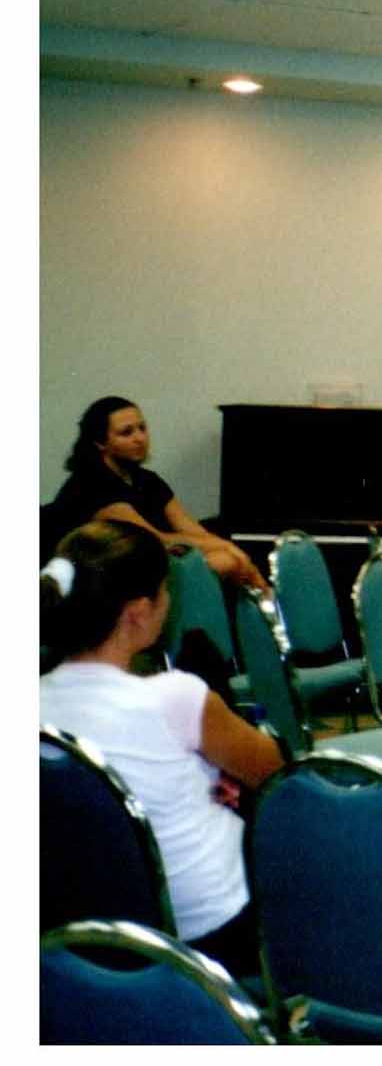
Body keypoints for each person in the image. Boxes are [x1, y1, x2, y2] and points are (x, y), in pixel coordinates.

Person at [39, 520, 285, 978]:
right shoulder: (175, 697)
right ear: (138, 613)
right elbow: (276, 776)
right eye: (165, 591)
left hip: (82, 930)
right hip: (209, 924)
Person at [49, 396, 269, 591]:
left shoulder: (147, 479)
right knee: (226, 561)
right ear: (100, 442)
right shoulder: (92, 483)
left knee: (228, 560)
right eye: (127, 432)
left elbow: (192, 530)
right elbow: (155, 541)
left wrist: (231, 551)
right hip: (98, 582)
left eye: (142, 428)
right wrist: (229, 547)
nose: (139, 438)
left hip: (143, 567)